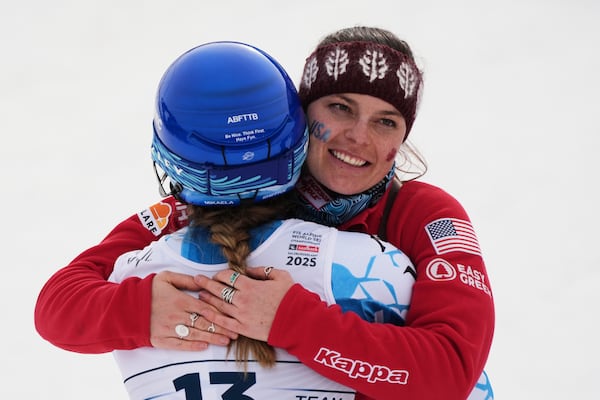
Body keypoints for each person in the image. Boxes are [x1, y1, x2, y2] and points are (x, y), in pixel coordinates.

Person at [35, 27, 494, 400]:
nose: (358, 136)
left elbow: (451, 373)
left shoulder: (425, 214)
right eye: (340, 108)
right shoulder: (220, 193)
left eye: (385, 121)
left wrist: (293, 320)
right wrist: (138, 310)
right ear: (297, 114)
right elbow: (57, 305)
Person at [106, 40, 418, 399]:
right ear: (297, 139)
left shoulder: (123, 277)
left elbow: (57, 304)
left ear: (172, 160)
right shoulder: (374, 265)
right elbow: (458, 381)